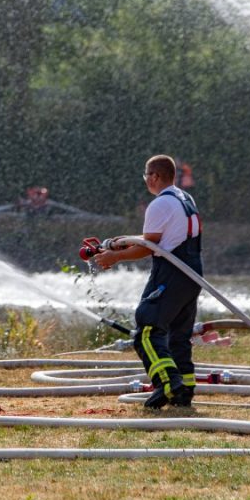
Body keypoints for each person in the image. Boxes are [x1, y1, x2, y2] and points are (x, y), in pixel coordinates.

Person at [93, 154, 203, 408]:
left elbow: (149, 246)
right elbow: (159, 238)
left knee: (147, 329)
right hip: (192, 273)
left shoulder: (159, 204)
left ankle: (167, 384)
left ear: (154, 176)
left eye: (146, 177)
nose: (146, 181)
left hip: (171, 272)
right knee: (178, 335)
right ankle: (184, 391)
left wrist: (115, 257)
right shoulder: (184, 198)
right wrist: (122, 242)